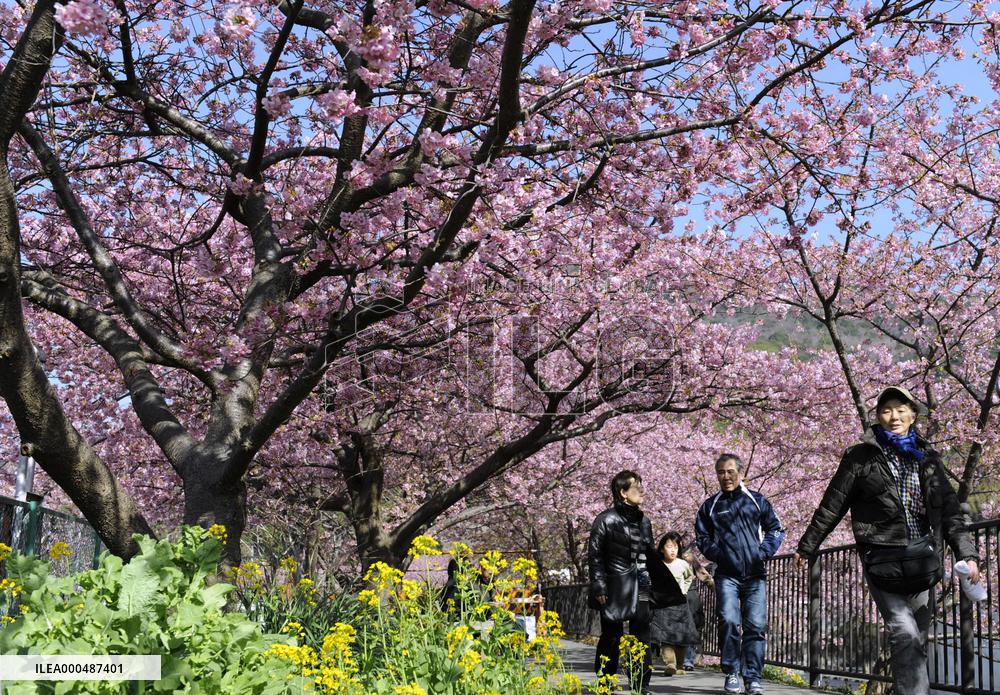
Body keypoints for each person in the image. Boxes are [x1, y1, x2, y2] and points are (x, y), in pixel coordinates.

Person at [795, 386, 982, 695]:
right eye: (886, 410)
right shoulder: (860, 457)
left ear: (912, 414)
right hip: (881, 558)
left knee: (916, 639)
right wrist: (807, 546)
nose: (893, 416)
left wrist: (968, 553)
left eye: (900, 409)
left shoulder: (927, 457)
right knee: (905, 633)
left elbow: (950, 510)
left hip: (922, 557)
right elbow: (833, 504)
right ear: (877, 417)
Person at [696, 453, 785, 695]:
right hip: (726, 575)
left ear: (742, 473)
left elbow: (775, 529)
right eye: (721, 472)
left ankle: (753, 677)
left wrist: (763, 552)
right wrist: (719, 554)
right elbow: (702, 538)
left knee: (755, 626)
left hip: (755, 575)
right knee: (728, 620)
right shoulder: (710, 506)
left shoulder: (756, 501)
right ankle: (732, 672)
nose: (726, 477)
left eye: (730, 472)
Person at [588, 470, 683, 695]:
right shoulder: (605, 520)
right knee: (612, 636)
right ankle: (605, 682)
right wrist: (599, 586)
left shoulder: (644, 521)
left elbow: (649, 554)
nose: (641, 491)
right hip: (615, 587)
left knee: (641, 637)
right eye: (636, 487)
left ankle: (640, 685)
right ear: (623, 492)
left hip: (642, 586)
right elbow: (595, 556)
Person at [649, 532, 700, 676]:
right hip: (663, 605)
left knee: (680, 637)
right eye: (669, 547)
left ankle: (680, 665)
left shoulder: (683, 564)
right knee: (665, 637)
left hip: (680, 605)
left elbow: (690, 578)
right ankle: (670, 664)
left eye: (675, 547)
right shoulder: (659, 565)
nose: (673, 550)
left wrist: (684, 590)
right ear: (661, 549)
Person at [681, 548, 711, 670]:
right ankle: (675, 660)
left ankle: (688, 659)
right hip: (674, 595)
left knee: (693, 627)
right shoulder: (667, 558)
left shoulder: (690, 558)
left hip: (691, 595)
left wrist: (713, 585)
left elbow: (702, 574)